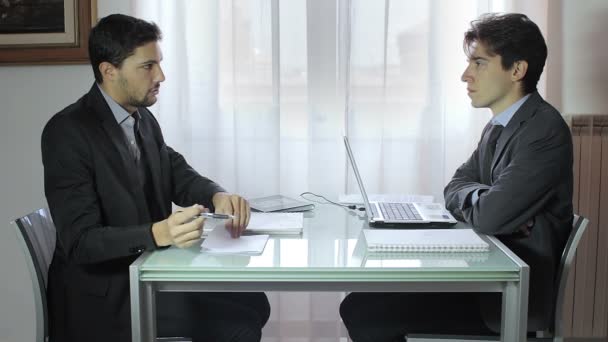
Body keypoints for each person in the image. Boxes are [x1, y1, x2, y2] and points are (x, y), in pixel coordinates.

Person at [339, 13, 573, 341]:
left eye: (479, 63)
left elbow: (489, 216)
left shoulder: (543, 131)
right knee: (360, 304)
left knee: (365, 313)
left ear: (517, 70)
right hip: (487, 278)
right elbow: (454, 186)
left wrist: (487, 206)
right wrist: (485, 199)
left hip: (507, 298)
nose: (466, 75)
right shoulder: (499, 125)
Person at [42, 14, 270, 342]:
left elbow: (176, 172)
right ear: (109, 71)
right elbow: (80, 242)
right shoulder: (67, 132)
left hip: (146, 273)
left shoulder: (142, 118)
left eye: (159, 64)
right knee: (239, 328)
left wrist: (217, 196)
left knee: (253, 302)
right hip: (105, 299)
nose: (160, 75)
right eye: (148, 66)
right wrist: (159, 232)